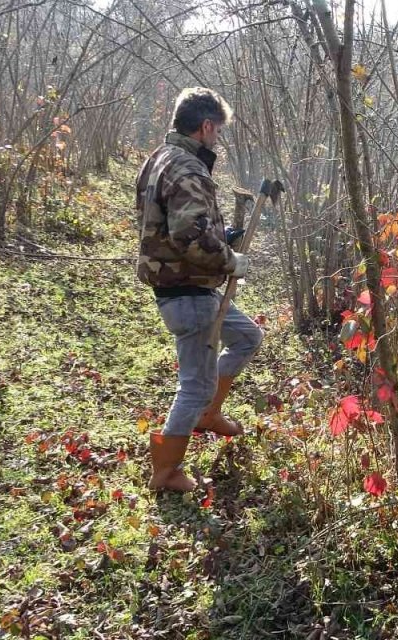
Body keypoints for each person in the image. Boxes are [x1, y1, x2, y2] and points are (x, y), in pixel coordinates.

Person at [136, 87, 263, 492]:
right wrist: (228, 259)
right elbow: (188, 235)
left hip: (190, 287)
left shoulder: (161, 159)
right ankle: (166, 472)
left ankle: (210, 414)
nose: (218, 140)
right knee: (195, 385)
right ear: (205, 126)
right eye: (218, 132)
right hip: (186, 291)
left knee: (247, 337)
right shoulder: (187, 168)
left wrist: (222, 234)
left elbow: (177, 223)